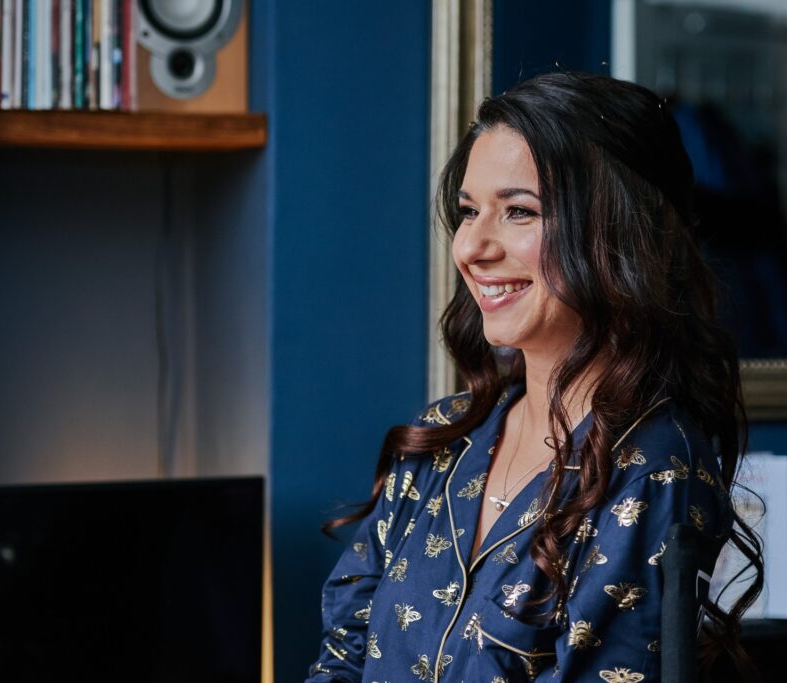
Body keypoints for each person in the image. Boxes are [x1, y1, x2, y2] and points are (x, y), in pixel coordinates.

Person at [305, 71, 762, 683]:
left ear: (617, 232)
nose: (471, 247)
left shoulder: (654, 471)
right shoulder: (440, 440)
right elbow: (343, 656)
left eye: (519, 211)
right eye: (469, 212)